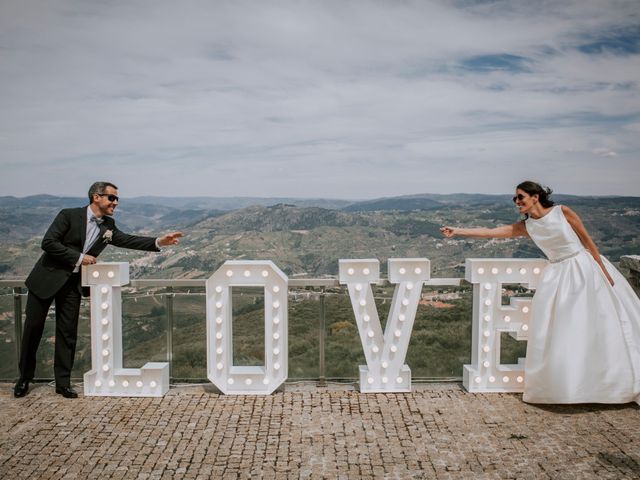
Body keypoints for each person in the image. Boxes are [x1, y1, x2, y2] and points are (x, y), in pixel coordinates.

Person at [441, 181, 640, 404]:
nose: (517, 202)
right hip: (559, 276)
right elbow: (490, 233)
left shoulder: (562, 212)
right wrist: (457, 231)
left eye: (520, 197)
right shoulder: (527, 227)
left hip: (585, 269)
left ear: (535, 197)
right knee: (568, 329)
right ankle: (575, 386)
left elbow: (587, 240)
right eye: (515, 199)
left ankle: (611, 381)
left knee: (600, 324)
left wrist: (603, 270)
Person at [14, 182, 184, 399]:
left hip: (72, 285)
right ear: (96, 197)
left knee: (67, 334)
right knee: (32, 330)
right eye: (112, 198)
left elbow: (127, 240)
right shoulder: (68, 215)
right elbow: (48, 243)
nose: (116, 203)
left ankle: (62, 383)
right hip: (45, 280)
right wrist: (78, 258)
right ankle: (24, 379)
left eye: (117, 199)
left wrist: (159, 241)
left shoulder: (108, 226)